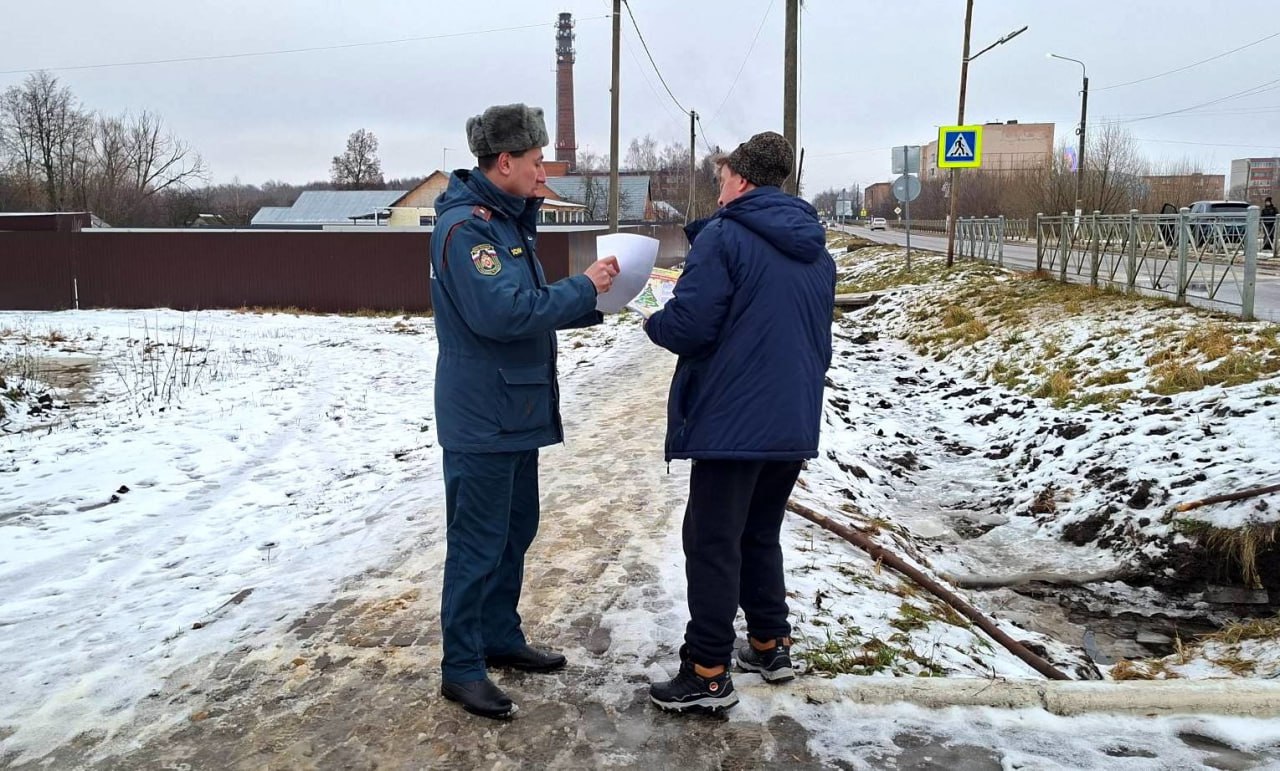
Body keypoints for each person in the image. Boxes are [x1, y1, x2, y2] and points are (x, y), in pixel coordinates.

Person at [430, 103, 620, 719]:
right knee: (477, 543)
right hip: (483, 416)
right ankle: (461, 666)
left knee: (515, 531)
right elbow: (504, 313)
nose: (543, 174)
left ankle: (499, 637)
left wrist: (596, 298)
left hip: (514, 409)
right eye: (537, 162)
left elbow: (531, 301)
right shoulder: (468, 230)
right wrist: (582, 287)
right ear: (504, 161)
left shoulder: (508, 222)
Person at [641, 131, 836, 713]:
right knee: (758, 532)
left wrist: (653, 315)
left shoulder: (725, 238)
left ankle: (705, 670)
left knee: (711, 541)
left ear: (743, 180)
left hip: (732, 421)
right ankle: (770, 643)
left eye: (723, 177)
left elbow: (692, 326)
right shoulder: (816, 250)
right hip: (792, 417)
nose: (719, 188)